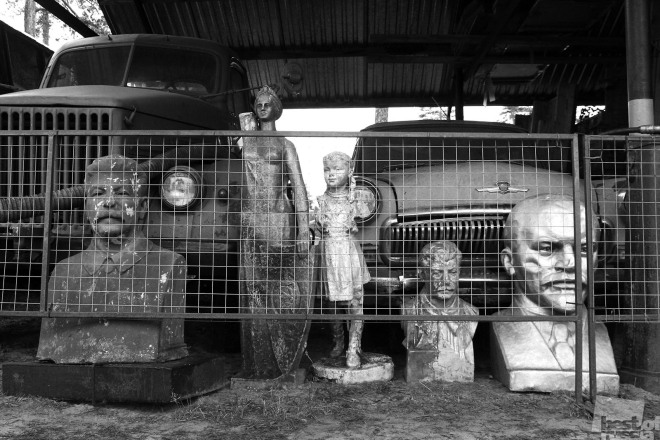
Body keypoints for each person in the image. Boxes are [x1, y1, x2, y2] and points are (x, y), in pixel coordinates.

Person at [37, 155, 188, 363]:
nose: (109, 202)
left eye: (122, 193)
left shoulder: (169, 265)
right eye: (98, 193)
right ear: (86, 208)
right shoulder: (63, 271)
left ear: (142, 206)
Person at [491, 193, 619, 393]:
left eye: (584, 249)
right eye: (547, 248)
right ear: (509, 261)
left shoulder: (601, 334)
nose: (570, 263)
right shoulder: (501, 327)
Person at [238, 86, 313, 379]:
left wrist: (303, 229)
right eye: (258, 103)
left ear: (277, 108)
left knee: (281, 286)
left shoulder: (285, 144)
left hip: (279, 219)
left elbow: (299, 187)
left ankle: (284, 354)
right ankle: (259, 362)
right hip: (252, 221)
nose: (262, 106)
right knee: (253, 288)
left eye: (267, 103)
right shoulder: (246, 139)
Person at [315, 151, 371, 368]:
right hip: (329, 253)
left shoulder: (357, 199)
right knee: (332, 302)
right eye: (327, 170)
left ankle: (354, 346)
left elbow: (364, 212)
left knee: (355, 301)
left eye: (338, 169)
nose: (331, 174)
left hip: (349, 253)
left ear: (349, 171)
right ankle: (338, 341)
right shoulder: (321, 201)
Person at [401, 241, 478, 382]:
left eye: (452, 272)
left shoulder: (471, 312)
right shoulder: (409, 310)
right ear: (422, 274)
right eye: (437, 273)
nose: (446, 280)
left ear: (459, 273)